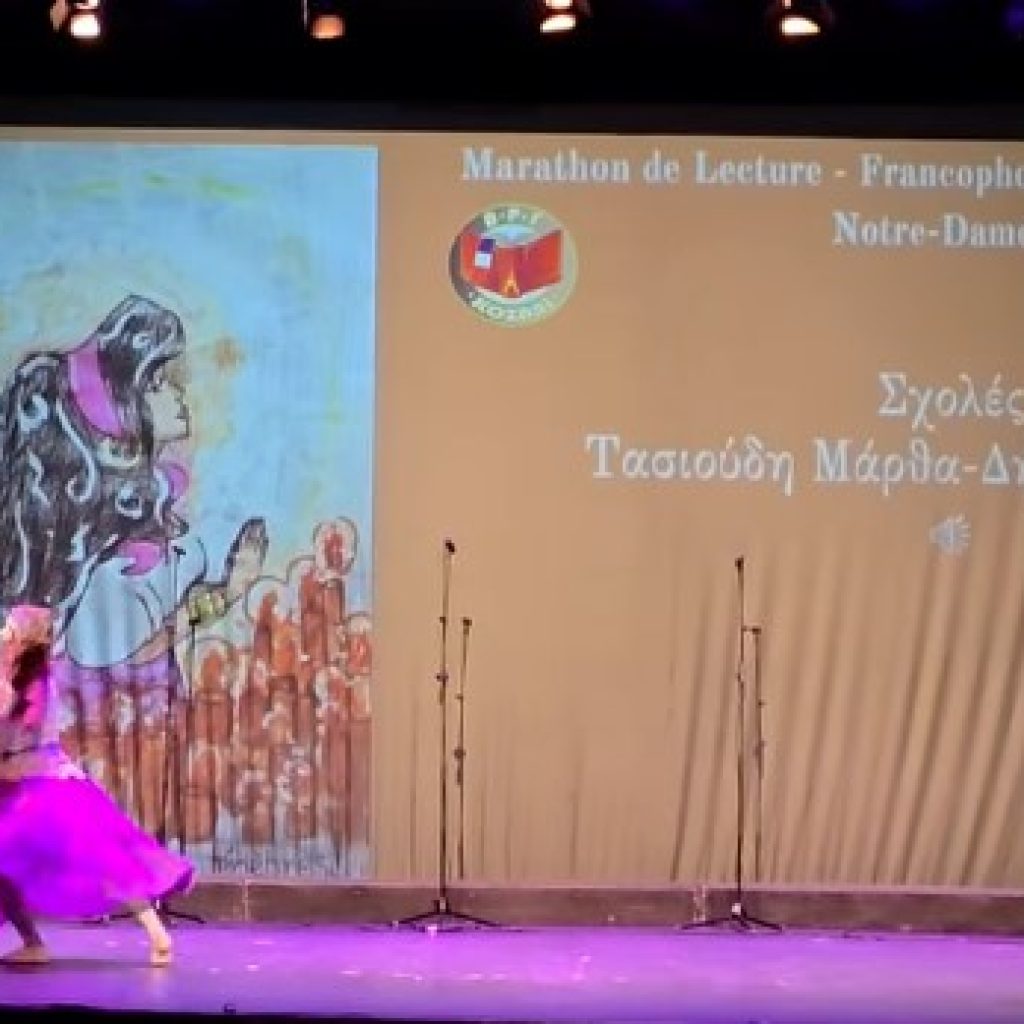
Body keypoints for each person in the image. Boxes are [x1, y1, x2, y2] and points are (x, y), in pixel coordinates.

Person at [0, 603, 193, 966]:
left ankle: (157, 935)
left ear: (23, 639)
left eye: (10, 628)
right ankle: (32, 943)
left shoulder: (35, 681)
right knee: (4, 868)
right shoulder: (11, 675)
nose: (4, 633)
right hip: (13, 783)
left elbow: (24, 726)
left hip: (44, 784)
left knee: (102, 857)